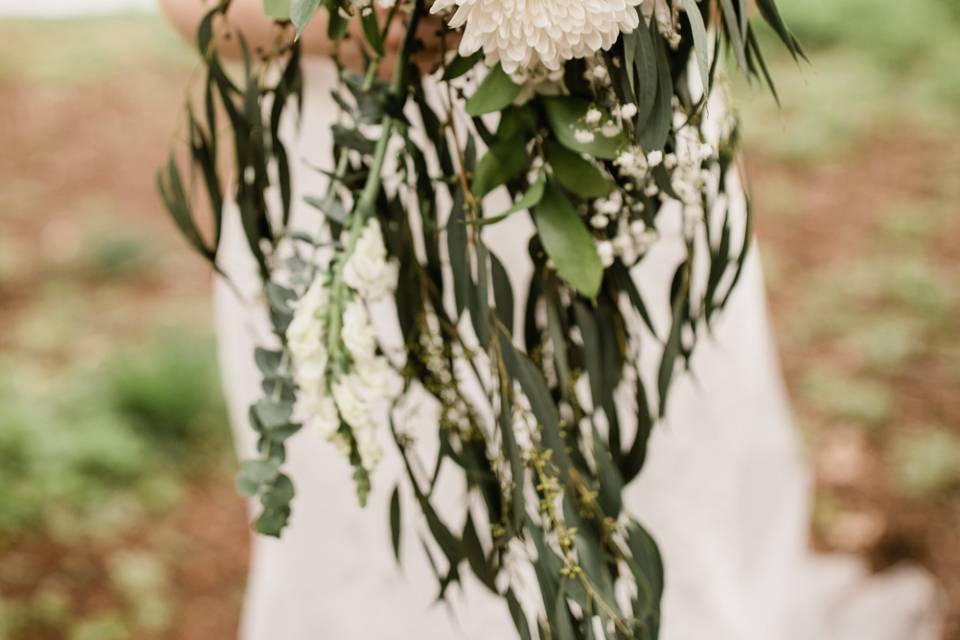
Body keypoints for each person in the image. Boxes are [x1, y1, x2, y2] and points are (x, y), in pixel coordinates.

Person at [160, 1, 943, 638]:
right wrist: (348, 25)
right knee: (395, 470)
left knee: (651, 466)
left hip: (624, 150)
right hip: (364, 180)